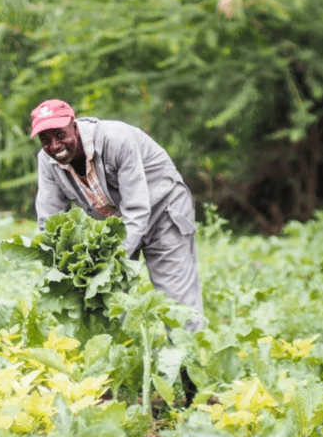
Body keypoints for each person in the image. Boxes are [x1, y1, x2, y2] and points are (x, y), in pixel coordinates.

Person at [30, 99, 205, 332]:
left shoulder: (116, 139)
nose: (54, 145)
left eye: (59, 134)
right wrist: (61, 263)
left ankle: (184, 366)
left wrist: (112, 258)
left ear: (74, 125)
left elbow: (137, 208)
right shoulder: (48, 161)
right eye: (45, 140)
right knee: (105, 300)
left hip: (163, 211)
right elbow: (50, 219)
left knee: (176, 299)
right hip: (117, 223)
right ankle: (113, 362)